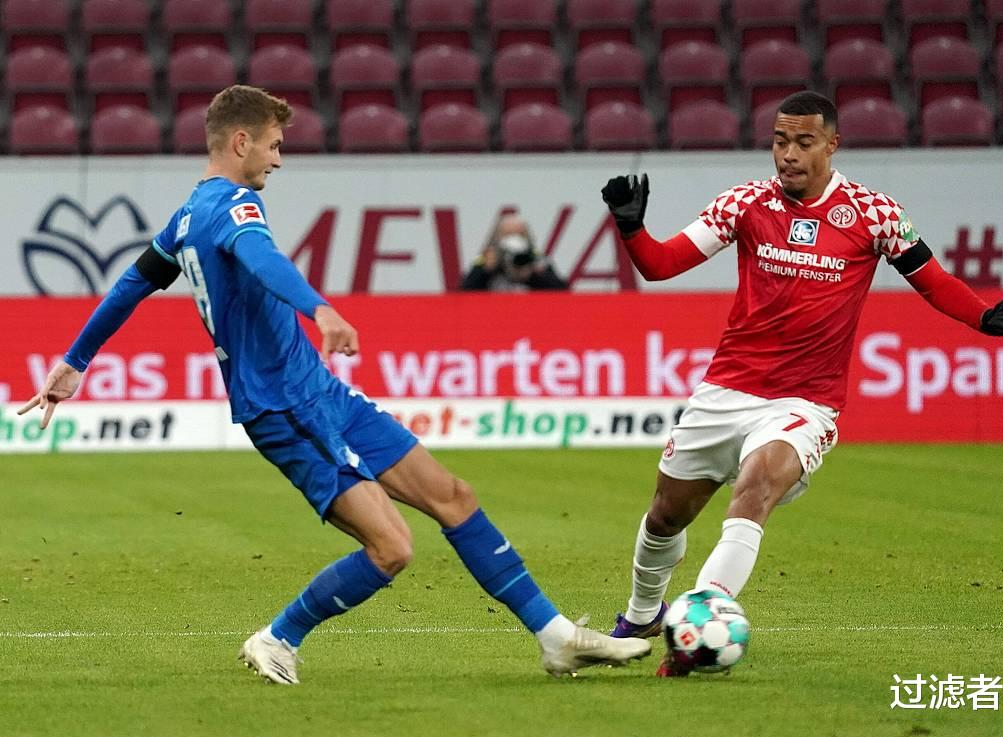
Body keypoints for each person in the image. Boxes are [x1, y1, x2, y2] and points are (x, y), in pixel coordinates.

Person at [17, 85, 650, 684]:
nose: (278, 159)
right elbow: (262, 257)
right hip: (283, 407)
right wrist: (319, 309)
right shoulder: (234, 207)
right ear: (240, 142)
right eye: (274, 146)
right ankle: (278, 637)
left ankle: (556, 636)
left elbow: (132, 283)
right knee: (391, 548)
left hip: (321, 393)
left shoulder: (187, 217)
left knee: (452, 496)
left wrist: (75, 361)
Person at [599, 91, 1003, 676]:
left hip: (805, 402)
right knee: (665, 517)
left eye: (803, 142)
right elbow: (661, 264)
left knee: (756, 488)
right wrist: (631, 227)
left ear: (832, 145)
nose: (788, 154)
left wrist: (983, 316)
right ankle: (643, 614)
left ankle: (698, 629)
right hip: (727, 390)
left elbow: (932, 281)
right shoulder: (745, 203)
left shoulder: (874, 214)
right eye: (780, 141)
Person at [461, 214, 568, 291]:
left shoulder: (536, 257)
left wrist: (535, 274)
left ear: (527, 237)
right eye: (508, 234)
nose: (513, 239)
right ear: (497, 237)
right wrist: (485, 271)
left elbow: (561, 290)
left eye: (519, 235)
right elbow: (464, 291)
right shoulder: (486, 258)